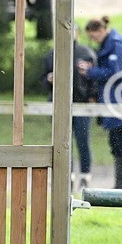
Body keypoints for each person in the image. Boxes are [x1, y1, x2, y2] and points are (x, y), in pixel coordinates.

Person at [79, 17, 122, 189]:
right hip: (115, 102)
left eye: (94, 37)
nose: (93, 40)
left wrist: (90, 72)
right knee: (116, 144)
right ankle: (121, 186)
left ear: (101, 30)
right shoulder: (109, 46)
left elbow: (115, 73)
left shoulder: (117, 46)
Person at [42, 24, 96, 191]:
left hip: (81, 105)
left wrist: (92, 97)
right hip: (58, 105)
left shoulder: (86, 53)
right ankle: (68, 176)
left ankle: (86, 176)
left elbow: (94, 80)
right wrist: (48, 80)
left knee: (82, 142)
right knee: (62, 143)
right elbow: (42, 80)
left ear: (76, 33)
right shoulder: (51, 55)